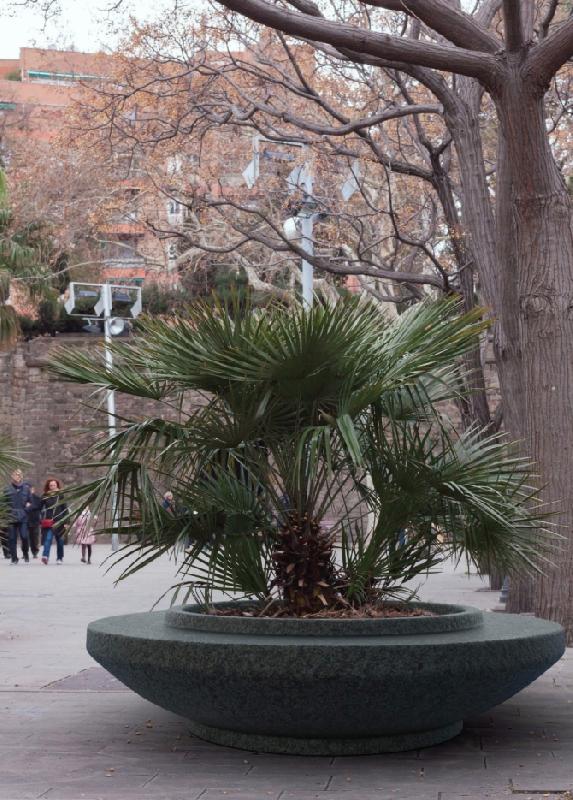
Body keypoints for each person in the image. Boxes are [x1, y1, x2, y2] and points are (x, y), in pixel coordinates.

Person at [4, 469, 32, 564]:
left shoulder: (26, 488)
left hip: (23, 516)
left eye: (19, 475)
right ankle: (14, 558)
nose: (17, 476)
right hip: (11, 516)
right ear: (12, 476)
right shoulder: (7, 489)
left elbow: (31, 502)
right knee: (12, 538)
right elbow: (3, 503)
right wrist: (7, 511)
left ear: (21, 476)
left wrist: (26, 509)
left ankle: (25, 553)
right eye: (15, 475)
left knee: (24, 536)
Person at [40, 478, 69, 565]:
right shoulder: (45, 496)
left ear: (57, 486)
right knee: (48, 539)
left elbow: (65, 509)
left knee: (60, 541)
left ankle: (59, 558)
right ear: (48, 486)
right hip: (49, 522)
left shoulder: (61, 495)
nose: (52, 487)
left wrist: (67, 522)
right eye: (51, 485)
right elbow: (39, 507)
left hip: (60, 521)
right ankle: (45, 556)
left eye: (54, 485)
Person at [26, 486, 43, 559]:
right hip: (26, 520)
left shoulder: (37, 498)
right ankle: (25, 552)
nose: (30, 491)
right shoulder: (24, 498)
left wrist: (30, 506)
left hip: (35, 520)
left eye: (31, 489)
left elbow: (39, 507)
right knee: (26, 537)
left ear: (33, 490)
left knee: (35, 537)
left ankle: (35, 552)